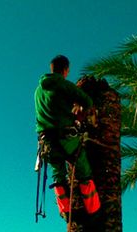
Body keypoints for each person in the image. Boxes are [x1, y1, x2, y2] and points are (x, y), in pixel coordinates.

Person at [34, 55, 101, 218]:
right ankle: (93, 210)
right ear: (65, 70)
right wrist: (79, 114)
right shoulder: (64, 85)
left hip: (47, 142)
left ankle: (66, 211)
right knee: (83, 169)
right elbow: (88, 101)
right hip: (66, 138)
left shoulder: (38, 91)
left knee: (58, 175)